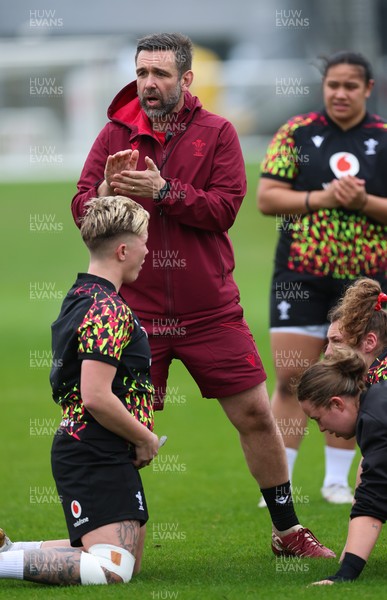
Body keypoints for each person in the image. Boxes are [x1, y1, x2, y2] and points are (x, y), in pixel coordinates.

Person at [70, 32, 334, 558]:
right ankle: (102, 534)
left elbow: (224, 210)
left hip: (210, 309)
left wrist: (163, 192)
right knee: (125, 426)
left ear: (186, 79)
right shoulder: (114, 134)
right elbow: (81, 211)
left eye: (160, 74)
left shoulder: (218, 133)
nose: (148, 83)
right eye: (142, 72)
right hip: (135, 312)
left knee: (256, 415)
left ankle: (287, 532)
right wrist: (104, 191)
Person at [0, 195, 160, 586]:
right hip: (93, 445)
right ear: (123, 250)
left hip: (96, 443)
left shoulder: (81, 296)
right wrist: (146, 439)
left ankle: (8, 552)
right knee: (111, 569)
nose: (148, 250)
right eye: (144, 241)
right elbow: (95, 395)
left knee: (126, 561)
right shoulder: (107, 308)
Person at [257, 50, 387, 505]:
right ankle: (281, 482)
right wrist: (324, 197)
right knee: (291, 375)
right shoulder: (297, 132)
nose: (340, 93)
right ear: (323, 87)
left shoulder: (384, 138)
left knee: (350, 373)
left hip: (365, 283)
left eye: (351, 86)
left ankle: (336, 481)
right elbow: (267, 198)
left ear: (368, 89)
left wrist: (363, 203)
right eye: (333, 84)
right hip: (300, 275)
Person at [296, 346, 387, 584]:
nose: (322, 429)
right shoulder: (376, 400)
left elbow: (373, 501)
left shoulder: (376, 419)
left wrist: (344, 575)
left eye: (317, 419)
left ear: (337, 404)